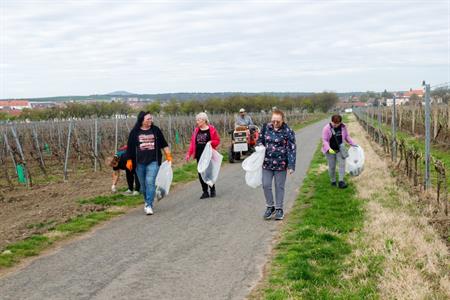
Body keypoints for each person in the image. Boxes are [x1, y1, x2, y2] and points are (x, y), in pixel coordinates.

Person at [126, 111, 173, 215]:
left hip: (153, 161)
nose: (151, 120)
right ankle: (147, 200)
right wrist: (129, 160)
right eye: (148, 119)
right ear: (142, 120)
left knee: (150, 182)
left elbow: (164, 144)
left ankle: (148, 204)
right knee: (143, 186)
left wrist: (168, 156)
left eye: (151, 118)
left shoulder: (155, 130)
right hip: (139, 162)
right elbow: (130, 147)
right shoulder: (135, 132)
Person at [257, 109, 296, 221]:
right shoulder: (265, 128)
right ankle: (270, 207)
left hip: (281, 164)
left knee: (279, 187)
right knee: (266, 184)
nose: (275, 123)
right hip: (267, 163)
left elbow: (292, 148)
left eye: (277, 121)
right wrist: (259, 146)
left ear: (282, 120)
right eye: (273, 120)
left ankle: (279, 208)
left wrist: (291, 165)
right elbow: (259, 140)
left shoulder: (288, 131)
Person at [185, 112, 221, 199]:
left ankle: (212, 189)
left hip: (209, 155)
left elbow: (217, 141)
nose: (197, 121)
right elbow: (192, 143)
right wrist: (189, 154)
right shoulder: (196, 130)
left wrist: (211, 142)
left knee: (209, 173)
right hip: (199, 155)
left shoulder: (211, 129)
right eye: (196, 120)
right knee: (201, 173)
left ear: (204, 120)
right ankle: (205, 192)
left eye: (199, 120)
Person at [321, 114, 358, 189]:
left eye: (338, 123)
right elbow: (324, 140)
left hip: (340, 149)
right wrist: (328, 149)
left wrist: (353, 143)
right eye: (334, 123)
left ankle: (341, 181)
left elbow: (347, 136)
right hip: (330, 151)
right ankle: (333, 181)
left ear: (340, 122)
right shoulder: (326, 128)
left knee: (342, 165)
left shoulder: (343, 127)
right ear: (332, 121)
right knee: (332, 167)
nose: (336, 125)